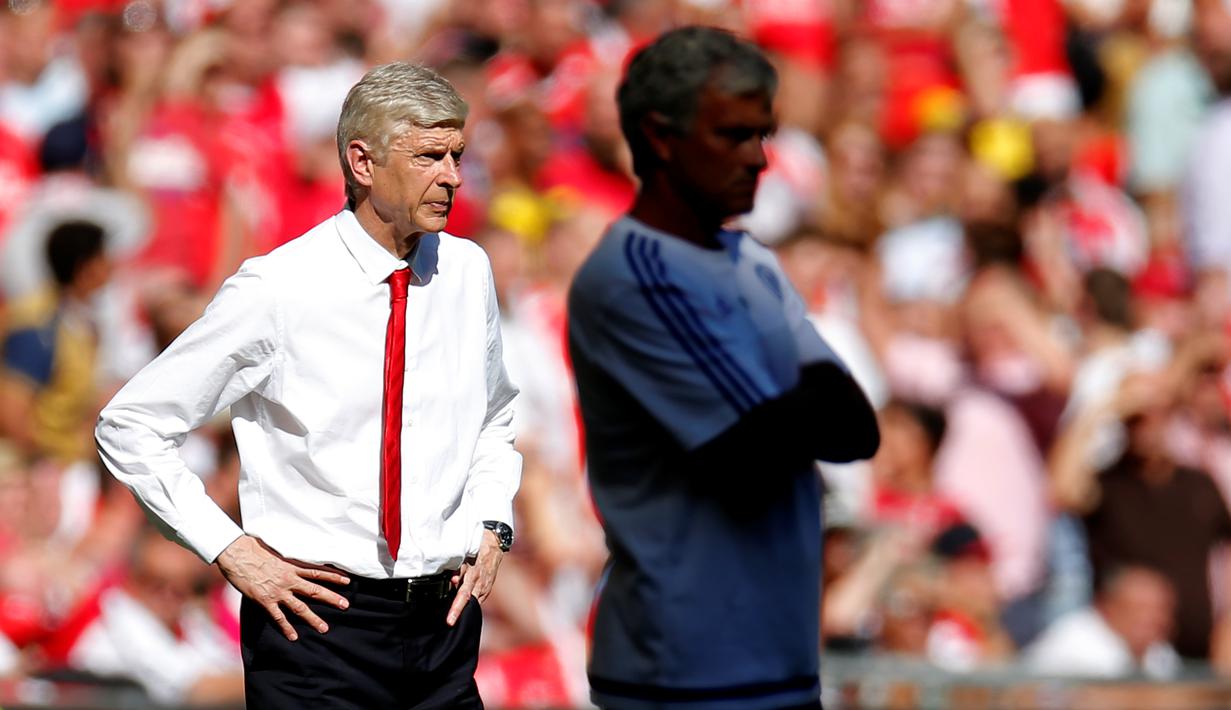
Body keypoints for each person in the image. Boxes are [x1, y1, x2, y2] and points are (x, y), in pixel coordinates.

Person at [95, 62, 522, 709]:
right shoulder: (279, 287)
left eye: (457, 155)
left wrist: (494, 521)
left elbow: (494, 416)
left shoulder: (467, 271)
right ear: (362, 161)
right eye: (430, 156)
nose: (452, 177)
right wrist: (231, 550)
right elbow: (131, 424)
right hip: (319, 622)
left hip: (444, 624)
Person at [568, 27, 879, 710]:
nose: (758, 159)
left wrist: (795, 413)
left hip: (779, 661)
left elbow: (855, 427)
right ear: (658, 136)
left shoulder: (752, 262)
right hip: (681, 669)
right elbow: (745, 453)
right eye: (732, 136)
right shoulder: (631, 275)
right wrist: (800, 407)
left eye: (761, 135)